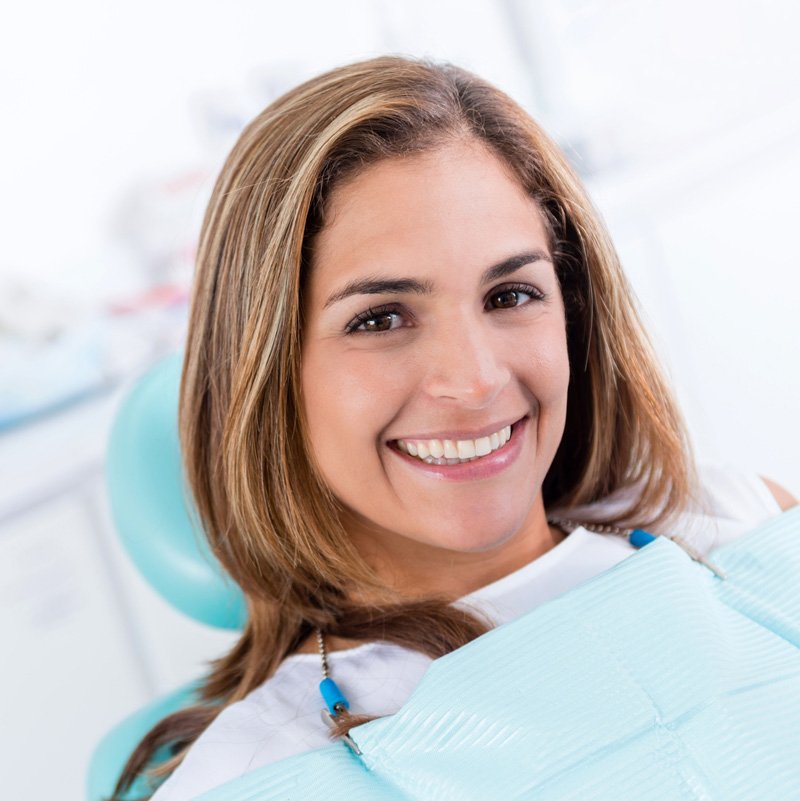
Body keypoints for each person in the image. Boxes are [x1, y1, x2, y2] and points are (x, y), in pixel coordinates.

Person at [113, 55, 797, 801]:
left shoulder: (734, 525)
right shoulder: (261, 773)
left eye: (510, 294)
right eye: (379, 317)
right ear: (269, 376)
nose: (474, 379)